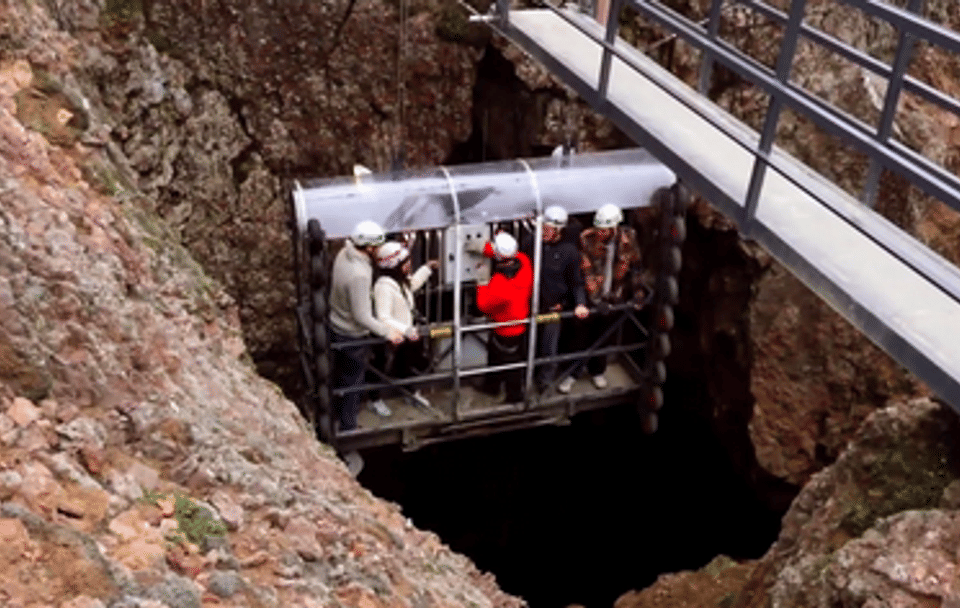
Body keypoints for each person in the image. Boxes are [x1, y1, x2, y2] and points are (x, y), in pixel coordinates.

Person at [329, 220, 403, 474]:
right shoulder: (360, 274)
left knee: (343, 379)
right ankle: (348, 433)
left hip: (336, 324)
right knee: (353, 382)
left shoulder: (343, 253)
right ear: (369, 248)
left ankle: (340, 420)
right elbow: (362, 316)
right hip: (351, 333)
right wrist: (387, 331)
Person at [576, 203, 646, 389]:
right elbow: (586, 271)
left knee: (604, 336)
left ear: (614, 228)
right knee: (582, 336)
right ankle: (574, 372)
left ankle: (597, 372)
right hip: (592, 296)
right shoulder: (587, 239)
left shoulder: (629, 240)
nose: (600, 233)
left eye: (604, 230)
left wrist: (638, 293)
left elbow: (636, 267)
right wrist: (594, 297)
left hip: (615, 294)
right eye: (598, 229)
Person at [523, 205, 590, 394]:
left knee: (548, 347)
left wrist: (579, 303)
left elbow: (576, 281)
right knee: (528, 343)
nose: (544, 231)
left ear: (559, 230)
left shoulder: (569, 252)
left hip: (553, 308)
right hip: (529, 306)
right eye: (543, 227)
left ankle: (544, 380)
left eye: (548, 228)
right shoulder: (530, 243)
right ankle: (525, 376)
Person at [370, 241, 438, 414]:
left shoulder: (398, 281)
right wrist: (406, 329)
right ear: (394, 265)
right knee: (378, 367)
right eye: (405, 262)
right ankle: (375, 400)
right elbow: (383, 317)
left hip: (405, 334)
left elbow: (411, 285)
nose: (409, 264)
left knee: (407, 364)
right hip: (391, 336)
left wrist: (427, 269)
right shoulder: (383, 287)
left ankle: (410, 393)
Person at [474, 231, 533, 403]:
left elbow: (483, 305)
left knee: (508, 364)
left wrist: (481, 283)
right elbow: (503, 253)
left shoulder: (500, 284)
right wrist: (484, 249)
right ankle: (491, 386)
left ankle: (514, 396)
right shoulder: (524, 262)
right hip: (520, 324)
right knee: (498, 357)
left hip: (504, 329)